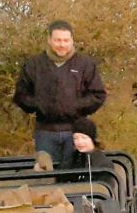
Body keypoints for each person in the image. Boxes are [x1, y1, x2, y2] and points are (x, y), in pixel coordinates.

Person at [14, 20, 107, 170]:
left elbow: (98, 95)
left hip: (76, 133)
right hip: (45, 132)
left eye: (66, 40)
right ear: (49, 40)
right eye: (58, 40)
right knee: (47, 178)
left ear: (72, 40)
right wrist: (40, 105)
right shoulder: (34, 64)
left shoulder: (85, 64)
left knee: (74, 176)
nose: (62, 44)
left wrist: (75, 106)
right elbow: (20, 96)